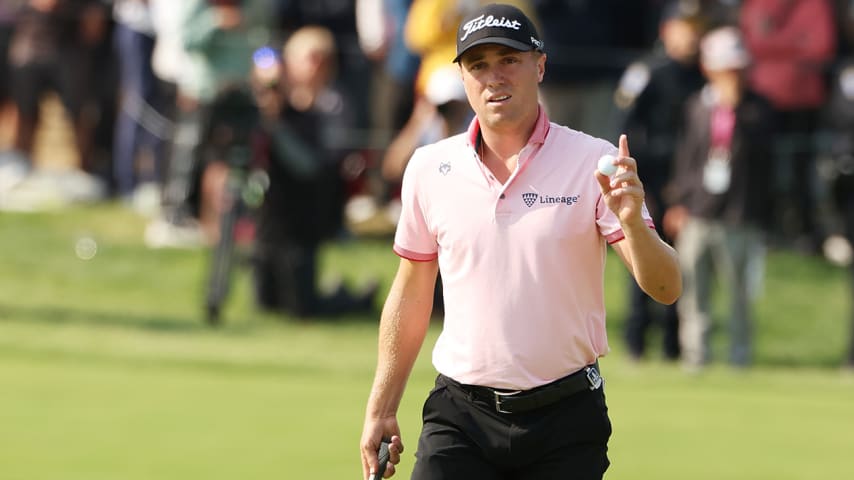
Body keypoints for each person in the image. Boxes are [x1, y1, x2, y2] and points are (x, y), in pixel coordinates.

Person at [359, 4, 682, 479]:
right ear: (463, 77)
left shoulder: (594, 160)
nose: (494, 77)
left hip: (566, 416)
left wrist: (633, 224)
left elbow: (666, 288)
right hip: (460, 416)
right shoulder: (430, 168)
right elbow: (411, 294)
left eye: (509, 60)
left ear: (540, 66)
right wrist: (382, 405)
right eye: (478, 65)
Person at [663, 26, 776, 371]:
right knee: (694, 293)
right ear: (709, 68)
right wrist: (678, 201)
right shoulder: (696, 105)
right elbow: (686, 158)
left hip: (738, 216)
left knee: (739, 294)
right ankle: (696, 357)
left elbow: (756, 156)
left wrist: (735, 109)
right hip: (698, 212)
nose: (733, 75)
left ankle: (739, 357)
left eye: (738, 68)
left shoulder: (758, 109)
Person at [613, 0, 707, 362]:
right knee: (641, 258)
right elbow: (624, 126)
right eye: (685, 28)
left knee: (679, 266)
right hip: (647, 183)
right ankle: (636, 343)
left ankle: (673, 346)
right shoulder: (647, 73)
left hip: (686, 186)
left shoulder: (702, 77)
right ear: (667, 32)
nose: (692, 37)